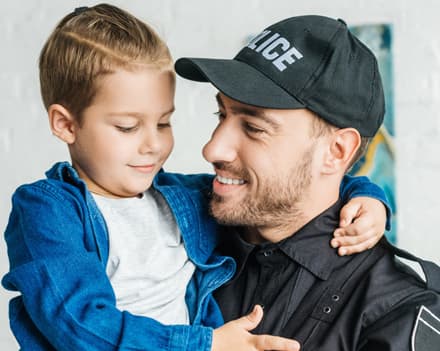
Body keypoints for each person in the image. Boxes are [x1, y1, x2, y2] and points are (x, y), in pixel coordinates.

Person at [2, 6, 389, 351]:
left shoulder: (177, 200)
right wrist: (203, 343)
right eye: (126, 127)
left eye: (164, 122)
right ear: (66, 124)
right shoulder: (49, 209)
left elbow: (281, 189)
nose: (153, 145)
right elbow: (77, 325)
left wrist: (365, 195)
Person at [175, 15, 440, 351]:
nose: (212, 148)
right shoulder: (178, 232)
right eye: (221, 115)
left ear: (336, 151)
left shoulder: (399, 311)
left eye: (254, 128)